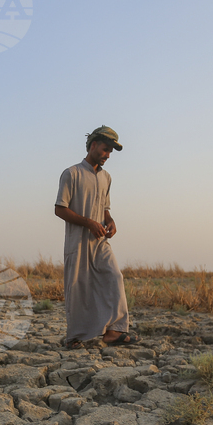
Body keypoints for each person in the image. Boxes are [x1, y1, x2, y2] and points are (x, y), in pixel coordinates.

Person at [54, 125, 132, 349]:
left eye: (110, 152)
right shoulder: (72, 173)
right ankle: (74, 338)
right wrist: (88, 223)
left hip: (100, 242)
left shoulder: (106, 178)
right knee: (78, 287)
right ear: (93, 145)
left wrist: (110, 220)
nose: (108, 155)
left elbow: (104, 208)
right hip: (77, 241)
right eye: (105, 149)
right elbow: (60, 209)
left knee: (114, 277)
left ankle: (114, 331)